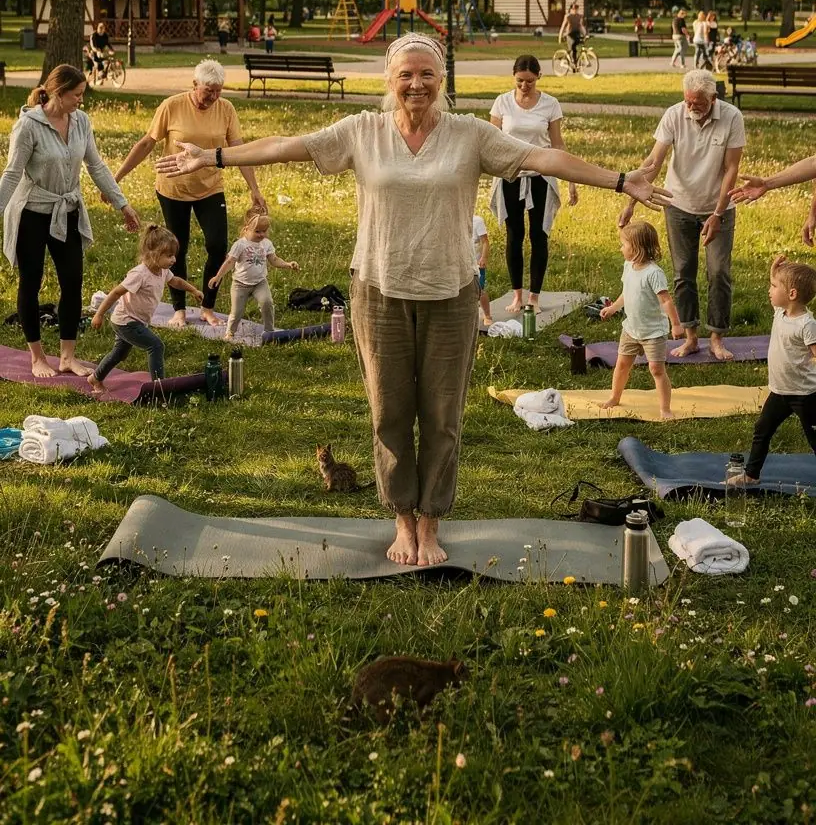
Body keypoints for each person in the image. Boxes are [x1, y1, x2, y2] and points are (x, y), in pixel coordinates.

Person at [155, 31, 669, 568]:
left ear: (441, 81)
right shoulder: (363, 131)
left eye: (427, 74)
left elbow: (544, 156)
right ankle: (402, 519)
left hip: (450, 294)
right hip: (378, 293)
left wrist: (619, 179)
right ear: (389, 80)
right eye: (406, 75)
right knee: (390, 414)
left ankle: (430, 523)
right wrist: (213, 155)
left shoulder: (470, 135)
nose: (416, 84)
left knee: (443, 416)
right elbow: (290, 147)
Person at [0, 65, 140, 379]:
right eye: (76, 95)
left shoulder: (81, 121)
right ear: (58, 93)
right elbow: (11, 174)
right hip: (32, 213)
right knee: (31, 282)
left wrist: (123, 204)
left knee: (72, 281)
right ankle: (37, 356)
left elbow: (97, 166)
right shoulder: (28, 126)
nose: (80, 100)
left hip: (67, 210)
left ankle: (66, 356)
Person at [112, 59, 266, 328]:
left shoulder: (226, 109)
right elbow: (147, 142)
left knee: (218, 246)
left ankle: (207, 306)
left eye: (219, 90)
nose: (214, 97)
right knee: (175, 250)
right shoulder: (172, 106)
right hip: (173, 189)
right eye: (208, 90)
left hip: (211, 188)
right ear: (194, 85)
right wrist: (116, 179)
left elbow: (239, 151)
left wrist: (255, 189)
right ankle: (179, 309)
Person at [618, 69, 745, 362]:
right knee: (682, 273)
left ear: (713, 98)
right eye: (687, 101)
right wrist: (630, 202)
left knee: (719, 273)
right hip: (679, 205)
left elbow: (732, 170)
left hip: (719, 206)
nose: (691, 107)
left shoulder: (732, 117)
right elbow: (652, 163)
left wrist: (717, 212)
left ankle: (716, 337)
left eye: (697, 103)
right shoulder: (674, 115)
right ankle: (690, 337)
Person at [489, 56, 578, 314]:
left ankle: (535, 297)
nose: (524, 86)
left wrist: (571, 181)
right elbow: (491, 142)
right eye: (519, 81)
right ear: (513, 77)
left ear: (538, 76)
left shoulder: (550, 104)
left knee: (539, 236)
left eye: (529, 81)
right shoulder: (502, 102)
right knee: (514, 236)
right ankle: (517, 295)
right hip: (510, 176)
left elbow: (558, 144)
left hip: (542, 175)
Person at [729, 256, 816, 486]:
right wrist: (773, 273)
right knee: (762, 430)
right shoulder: (781, 312)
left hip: (805, 395)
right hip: (779, 392)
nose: (770, 290)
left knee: (814, 437)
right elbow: (779, 295)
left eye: (774, 286)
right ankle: (751, 475)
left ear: (792, 295)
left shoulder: (807, 324)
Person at [88, 225, 204, 395]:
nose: (174, 260)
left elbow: (176, 281)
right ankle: (160, 389)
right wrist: (99, 314)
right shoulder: (139, 274)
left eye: (174, 255)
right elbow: (115, 292)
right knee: (156, 346)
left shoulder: (163, 270)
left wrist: (193, 290)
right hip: (126, 321)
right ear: (153, 254)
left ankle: (95, 378)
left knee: (119, 354)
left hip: (136, 320)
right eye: (169, 256)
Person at [599, 221, 682, 419]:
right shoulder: (628, 266)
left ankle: (665, 409)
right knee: (622, 365)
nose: (621, 248)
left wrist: (676, 324)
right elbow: (626, 293)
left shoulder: (654, 273)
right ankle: (615, 397)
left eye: (624, 245)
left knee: (656, 369)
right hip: (631, 329)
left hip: (653, 332)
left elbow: (666, 301)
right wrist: (612, 308)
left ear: (636, 248)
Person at [209, 207, 299, 341]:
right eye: (257, 231)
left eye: (264, 231)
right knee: (237, 312)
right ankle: (230, 332)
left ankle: (269, 331)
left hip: (260, 283)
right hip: (240, 284)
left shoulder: (266, 243)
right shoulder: (240, 245)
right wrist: (218, 276)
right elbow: (230, 262)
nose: (261, 234)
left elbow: (274, 260)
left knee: (267, 302)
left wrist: (287, 264)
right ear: (246, 229)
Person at [472, 213, 491, 326]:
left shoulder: (477, 221)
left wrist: (484, 258)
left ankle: (487, 315)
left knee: (480, 290)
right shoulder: (456, 220)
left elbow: (485, 241)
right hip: (462, 263)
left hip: (477, 264)